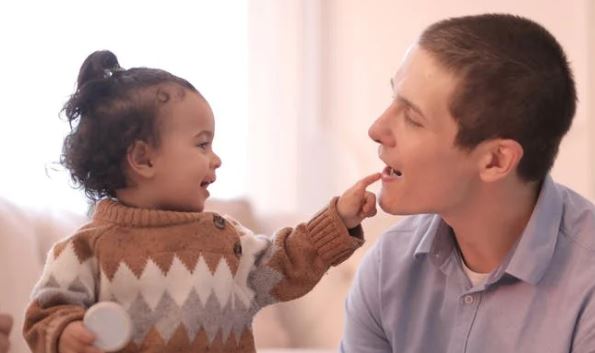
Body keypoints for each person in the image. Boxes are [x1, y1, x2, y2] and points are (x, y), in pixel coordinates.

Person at [23, 50, 379, 353]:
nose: (216, 158)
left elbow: (286, 264)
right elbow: (44, 314)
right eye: (202, 144)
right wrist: (65, 333)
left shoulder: (225, 242)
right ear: (144, 159)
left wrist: (338, 220)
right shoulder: (85, 250)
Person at [341, 13, 595, 352]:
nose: (377, 129)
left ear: (495, 160)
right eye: (393, 100)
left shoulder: (586, 285)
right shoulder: (388, 267)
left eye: (413, 118)